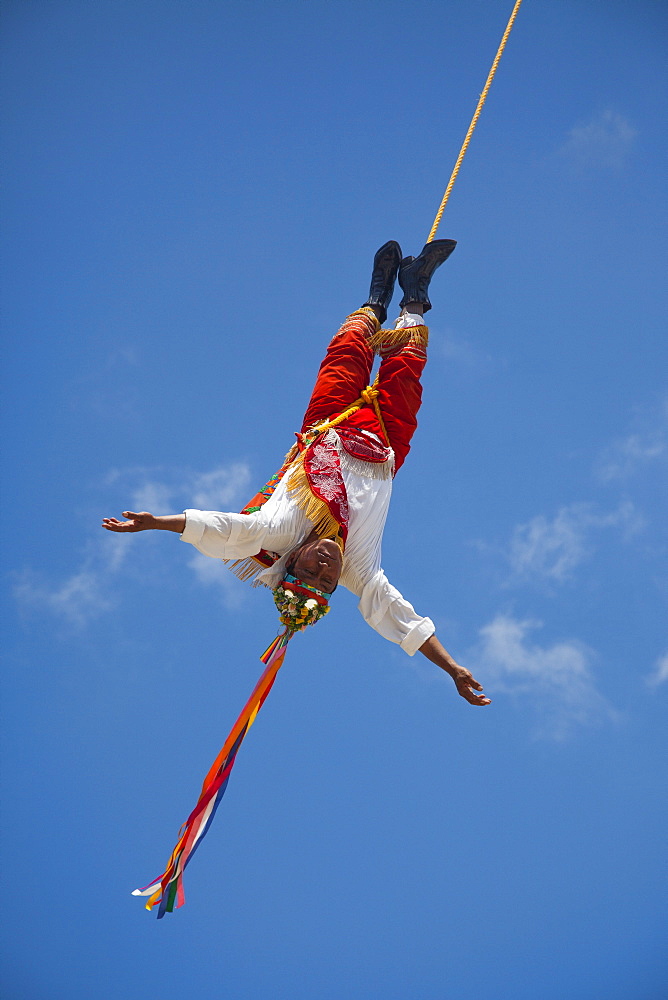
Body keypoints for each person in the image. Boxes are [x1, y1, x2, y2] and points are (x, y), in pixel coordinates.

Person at [103, 240, 490, 707]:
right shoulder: (359, 570)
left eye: (312, 570)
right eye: (328, 582)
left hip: (326, 428)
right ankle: (415, 294)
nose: (327, 568)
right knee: (407, 368)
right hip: (384, 443)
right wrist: (450, 667)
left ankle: (375, 297)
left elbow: (224, 531)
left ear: (292, 562)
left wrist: (157, 523)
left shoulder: (277, 533)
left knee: (346, 357)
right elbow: (397, 618)